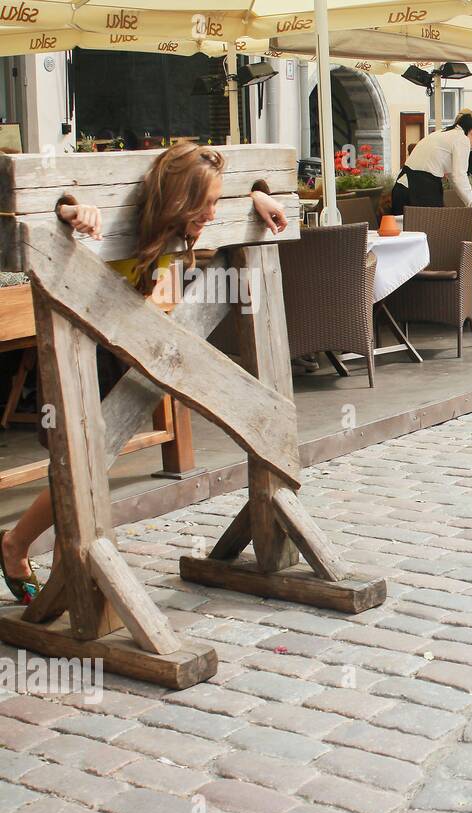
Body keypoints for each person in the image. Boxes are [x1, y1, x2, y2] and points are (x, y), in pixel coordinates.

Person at [0, 142, 288, 603]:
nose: (213, 214)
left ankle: (31, 554)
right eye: (206, 203)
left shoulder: (177, 226)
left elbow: (229, 196)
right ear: (178, 197)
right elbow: (62, 208)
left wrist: (256, 195)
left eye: (218, 201)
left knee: (94, 459)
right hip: (80, 341)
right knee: (78, 460)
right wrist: (74, 210)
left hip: (124, 337)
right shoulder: (128, 214)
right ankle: (31, 555)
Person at [392, 117, 472, 213]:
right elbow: (459, 176)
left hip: (402, 187)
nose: (471, 149)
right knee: (432, 226)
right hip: (420, 191)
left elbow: (453, 176)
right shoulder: (462, 138)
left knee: (400, 227)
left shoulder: (441, 133)